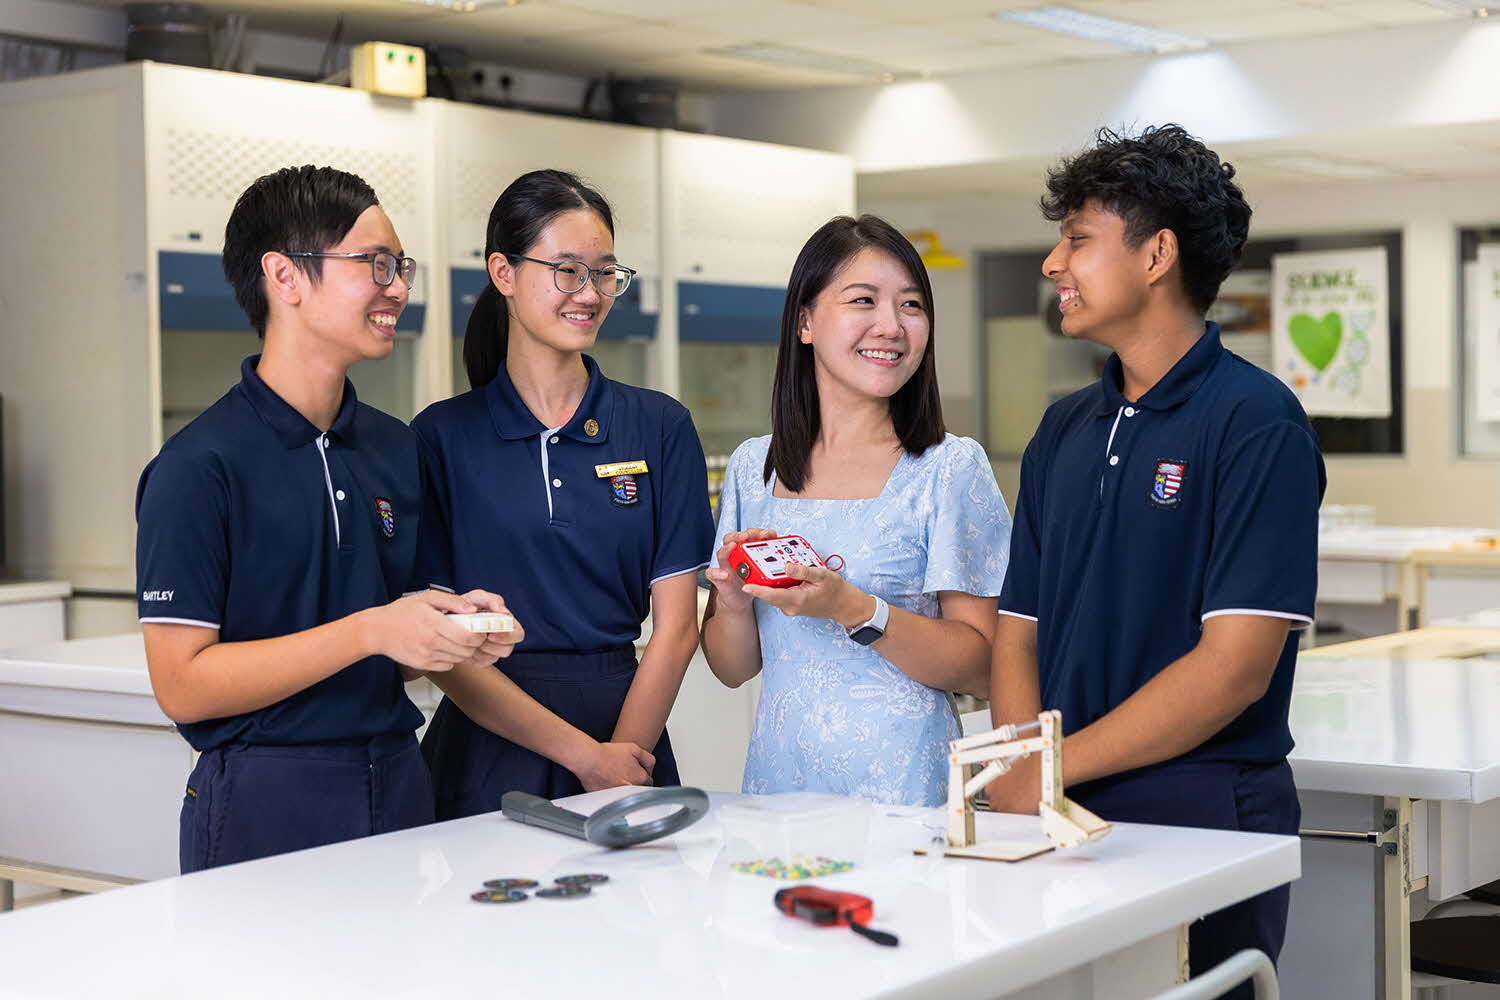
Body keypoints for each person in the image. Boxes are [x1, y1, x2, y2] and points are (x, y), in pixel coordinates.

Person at [986, 125, 1326, 992]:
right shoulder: (1064, 429)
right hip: (1066, 811)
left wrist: (1049, 767)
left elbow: (1233, 671)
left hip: (1202, 808)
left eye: (1079, 239)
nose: (1052, 263)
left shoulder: (1255, 423)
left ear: (1156, 255)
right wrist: (1028, 768)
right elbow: (1017, 627)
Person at [136, 164, 520, 873]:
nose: (398, 287)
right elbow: (181, 684)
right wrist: (372, 629)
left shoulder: (394, 446)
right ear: (284, 276)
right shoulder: (199, 467)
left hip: (398, 780)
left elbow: (384, 650)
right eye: (375, 263)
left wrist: (445, 631)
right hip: (264, 794)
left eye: (401, 265)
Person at [413, 169, 714, 819]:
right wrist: (584, 757)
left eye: (605, 273)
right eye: (567, 271)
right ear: (503, 272)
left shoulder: (659, 427)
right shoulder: (441, 437)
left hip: (627, 736)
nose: (591, 293)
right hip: (487, 743)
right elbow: (439, 644)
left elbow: (678, 627)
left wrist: (620, 760)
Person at [701, 215, 1010, 807]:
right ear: (806, 322)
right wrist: (735, 604)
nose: (891, 326)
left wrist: (853, 607)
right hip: (780, 789)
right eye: (863, 300)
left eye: (912, 305)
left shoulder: (949, 469)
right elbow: (731, 668)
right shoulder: (754, 467)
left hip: (907, 793)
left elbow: (986, 667)